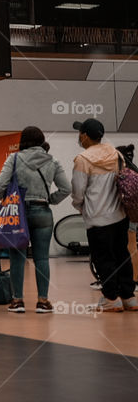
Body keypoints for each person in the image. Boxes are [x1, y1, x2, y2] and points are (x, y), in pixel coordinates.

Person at [0, 126, 71, 313]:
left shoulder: (13, 158)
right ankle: (43, 301)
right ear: (41, 140)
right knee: (42, 258)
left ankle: (17, 301)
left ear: (23, 140)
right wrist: (50, 199)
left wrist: (5, 198)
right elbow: (66, 188)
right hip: (43, 211)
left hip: (18, 212)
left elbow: (1, 184)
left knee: (17, 258)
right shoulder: (52, 160)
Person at [71, 119, 136, 312]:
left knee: (103, 258)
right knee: (122, 255)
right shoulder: (116, 154)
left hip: (98, 219)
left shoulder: (83, 159)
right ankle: (129, 297)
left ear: (84, 135)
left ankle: (110, 298)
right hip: (120, 215)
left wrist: (79, 206)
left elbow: (78, 191)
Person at [116, 144, 138, 285]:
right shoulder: (134, 170)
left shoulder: (123, 172)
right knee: (131, 245)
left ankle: (133, 278)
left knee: (130, 246)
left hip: (126, 214)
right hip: (134, 213)